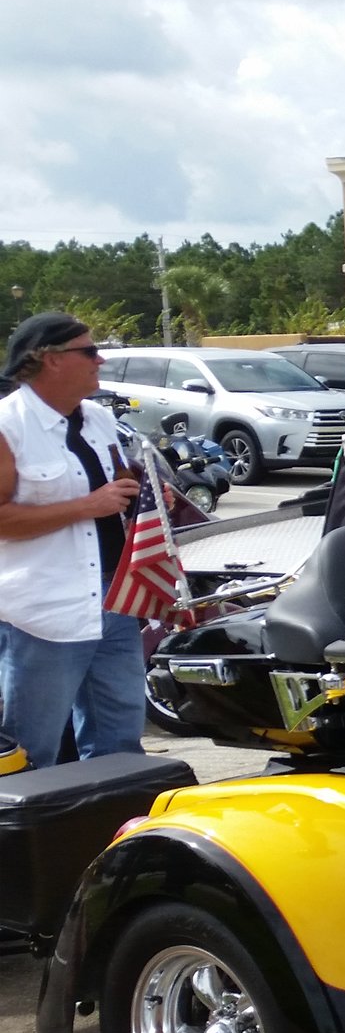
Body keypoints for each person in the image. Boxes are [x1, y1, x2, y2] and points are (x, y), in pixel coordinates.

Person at [0, 313, 144, 767]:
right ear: (49, 360)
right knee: (30, 749)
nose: (99, 359)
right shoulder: (9, 426)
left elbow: (117, 490)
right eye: (88, 351)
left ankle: (115, 828)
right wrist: (86, 506)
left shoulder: (99, 419)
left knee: (120, 741)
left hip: (115, 600)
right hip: (43, 612)